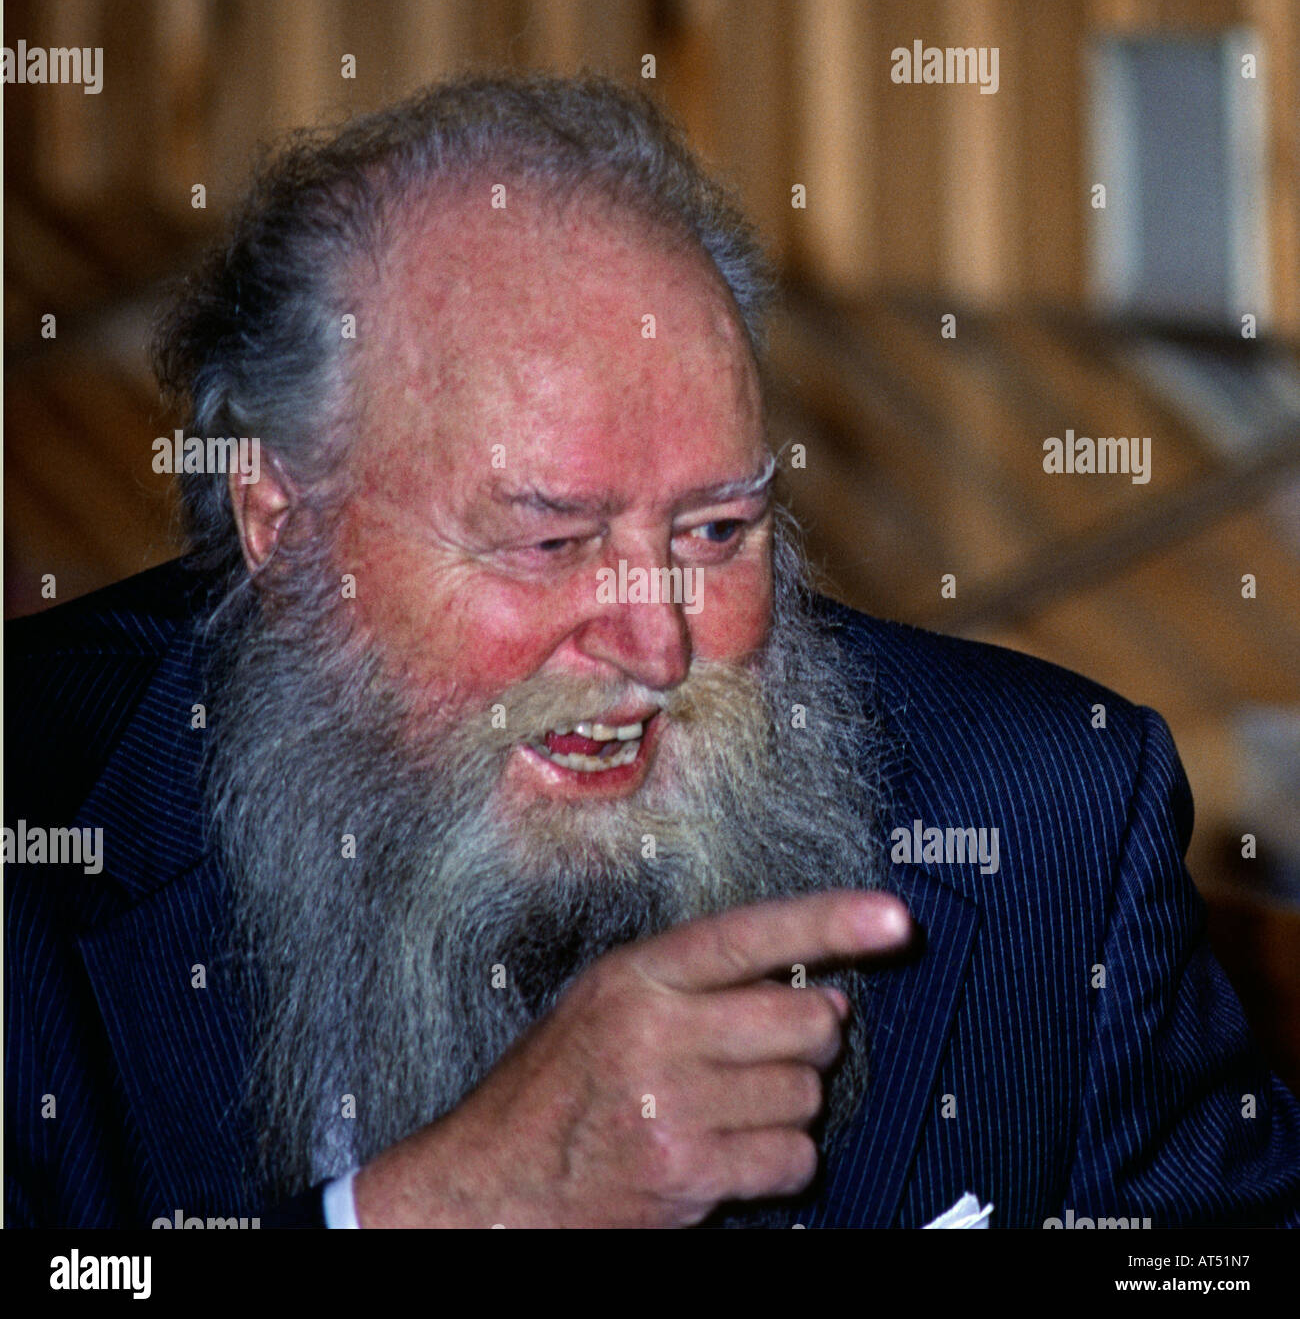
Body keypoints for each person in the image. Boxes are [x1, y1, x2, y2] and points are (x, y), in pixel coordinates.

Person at [6, 71, 1298, 1229]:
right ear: (282, 523)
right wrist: (442, 1208)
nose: (655, 633)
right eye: (552, 542)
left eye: (716, 527)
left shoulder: (1045, 821)